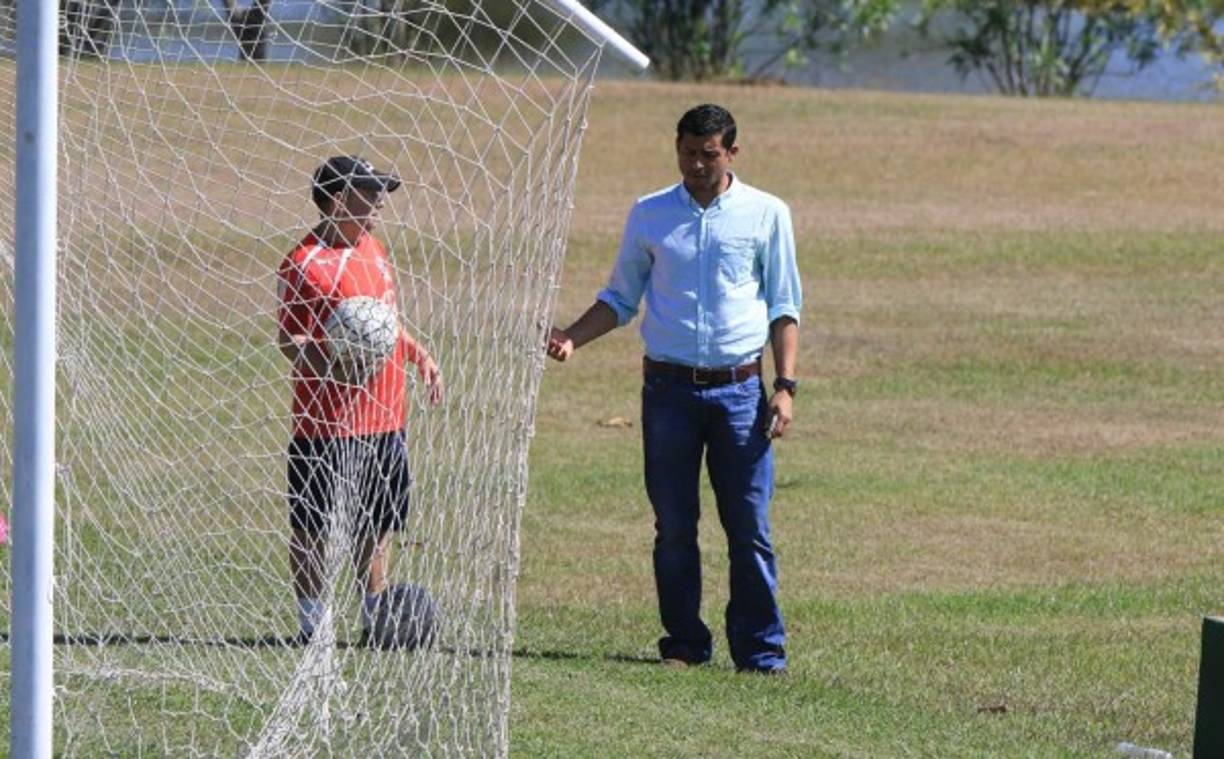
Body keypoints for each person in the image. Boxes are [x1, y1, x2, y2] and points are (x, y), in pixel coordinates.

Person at [547, 104, 801, 674]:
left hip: (740, 394)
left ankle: (761, 653)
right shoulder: (650, 214)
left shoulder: (766, 214)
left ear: (732, 153)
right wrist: (571, 338)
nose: (697, 165)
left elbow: (784, 307)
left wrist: (784, 387)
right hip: (668, 393)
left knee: (749, 529)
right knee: (674, 527)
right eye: (687, 153)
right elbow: (620, 298)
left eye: (709, 154)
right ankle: (684, 644)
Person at [276, 155, 443, 644]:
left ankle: (374, 615)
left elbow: (384, 325)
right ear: (336, 200)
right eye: (369, 193)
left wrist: (418, 354)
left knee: (376, 522)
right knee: (313, 527)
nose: (379, 203)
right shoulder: (302, 263)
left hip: (386, 418)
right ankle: (313, 623)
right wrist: (331, 360)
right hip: (325, 425)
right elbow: (289, 340)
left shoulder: (374, 249)